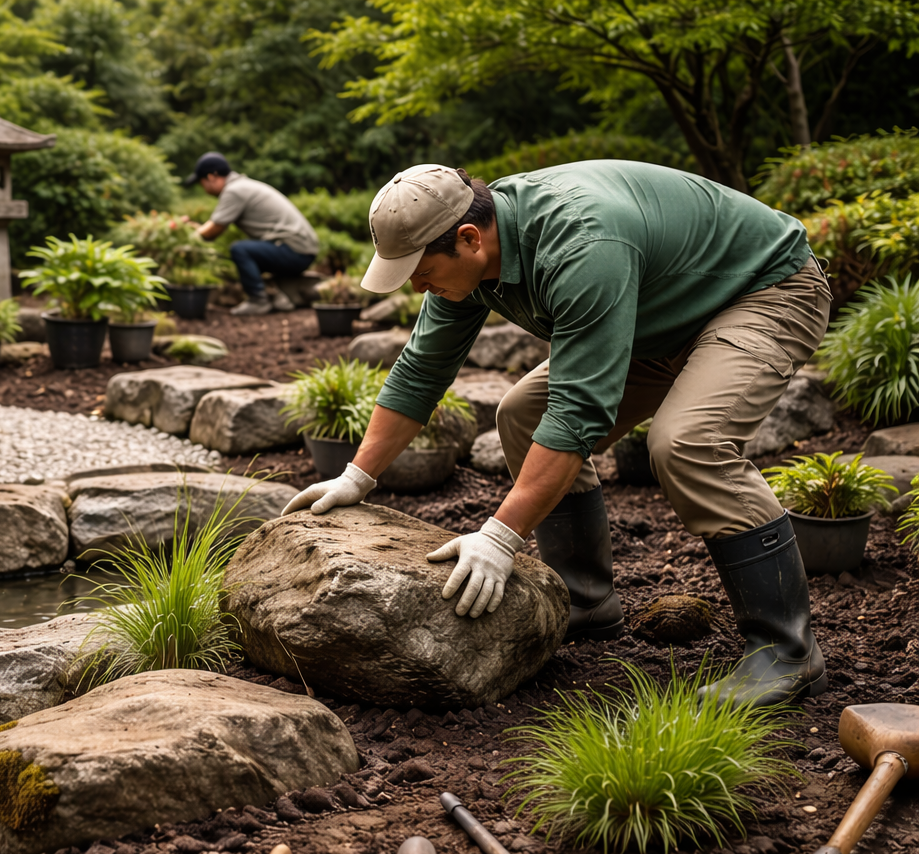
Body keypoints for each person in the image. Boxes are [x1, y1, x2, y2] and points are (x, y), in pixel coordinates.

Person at [282, 161, 831, 709]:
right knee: (521, 412)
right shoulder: (469, 263)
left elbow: (577, 414)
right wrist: (357, 476)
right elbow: (422, 369)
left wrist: (501, 536)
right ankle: (585, 600)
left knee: (688, 443)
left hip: (763, 291)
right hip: (657, 314)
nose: (418, 287)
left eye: (421, 273)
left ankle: (786, 651)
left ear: (469, 239)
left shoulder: (581, 243)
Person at [186, 152, 320, 316]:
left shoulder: (234, 191)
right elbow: (210, 227)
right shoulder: (243, 186)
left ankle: (258, 301)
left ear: (211, 176)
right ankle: (275, 295)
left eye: (202, 182)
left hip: (295, 251)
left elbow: (211, 232)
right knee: (247, 252)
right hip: (299, 250)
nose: (204, 189)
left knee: (240, 250)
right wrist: (191, 227)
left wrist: (185, 231)